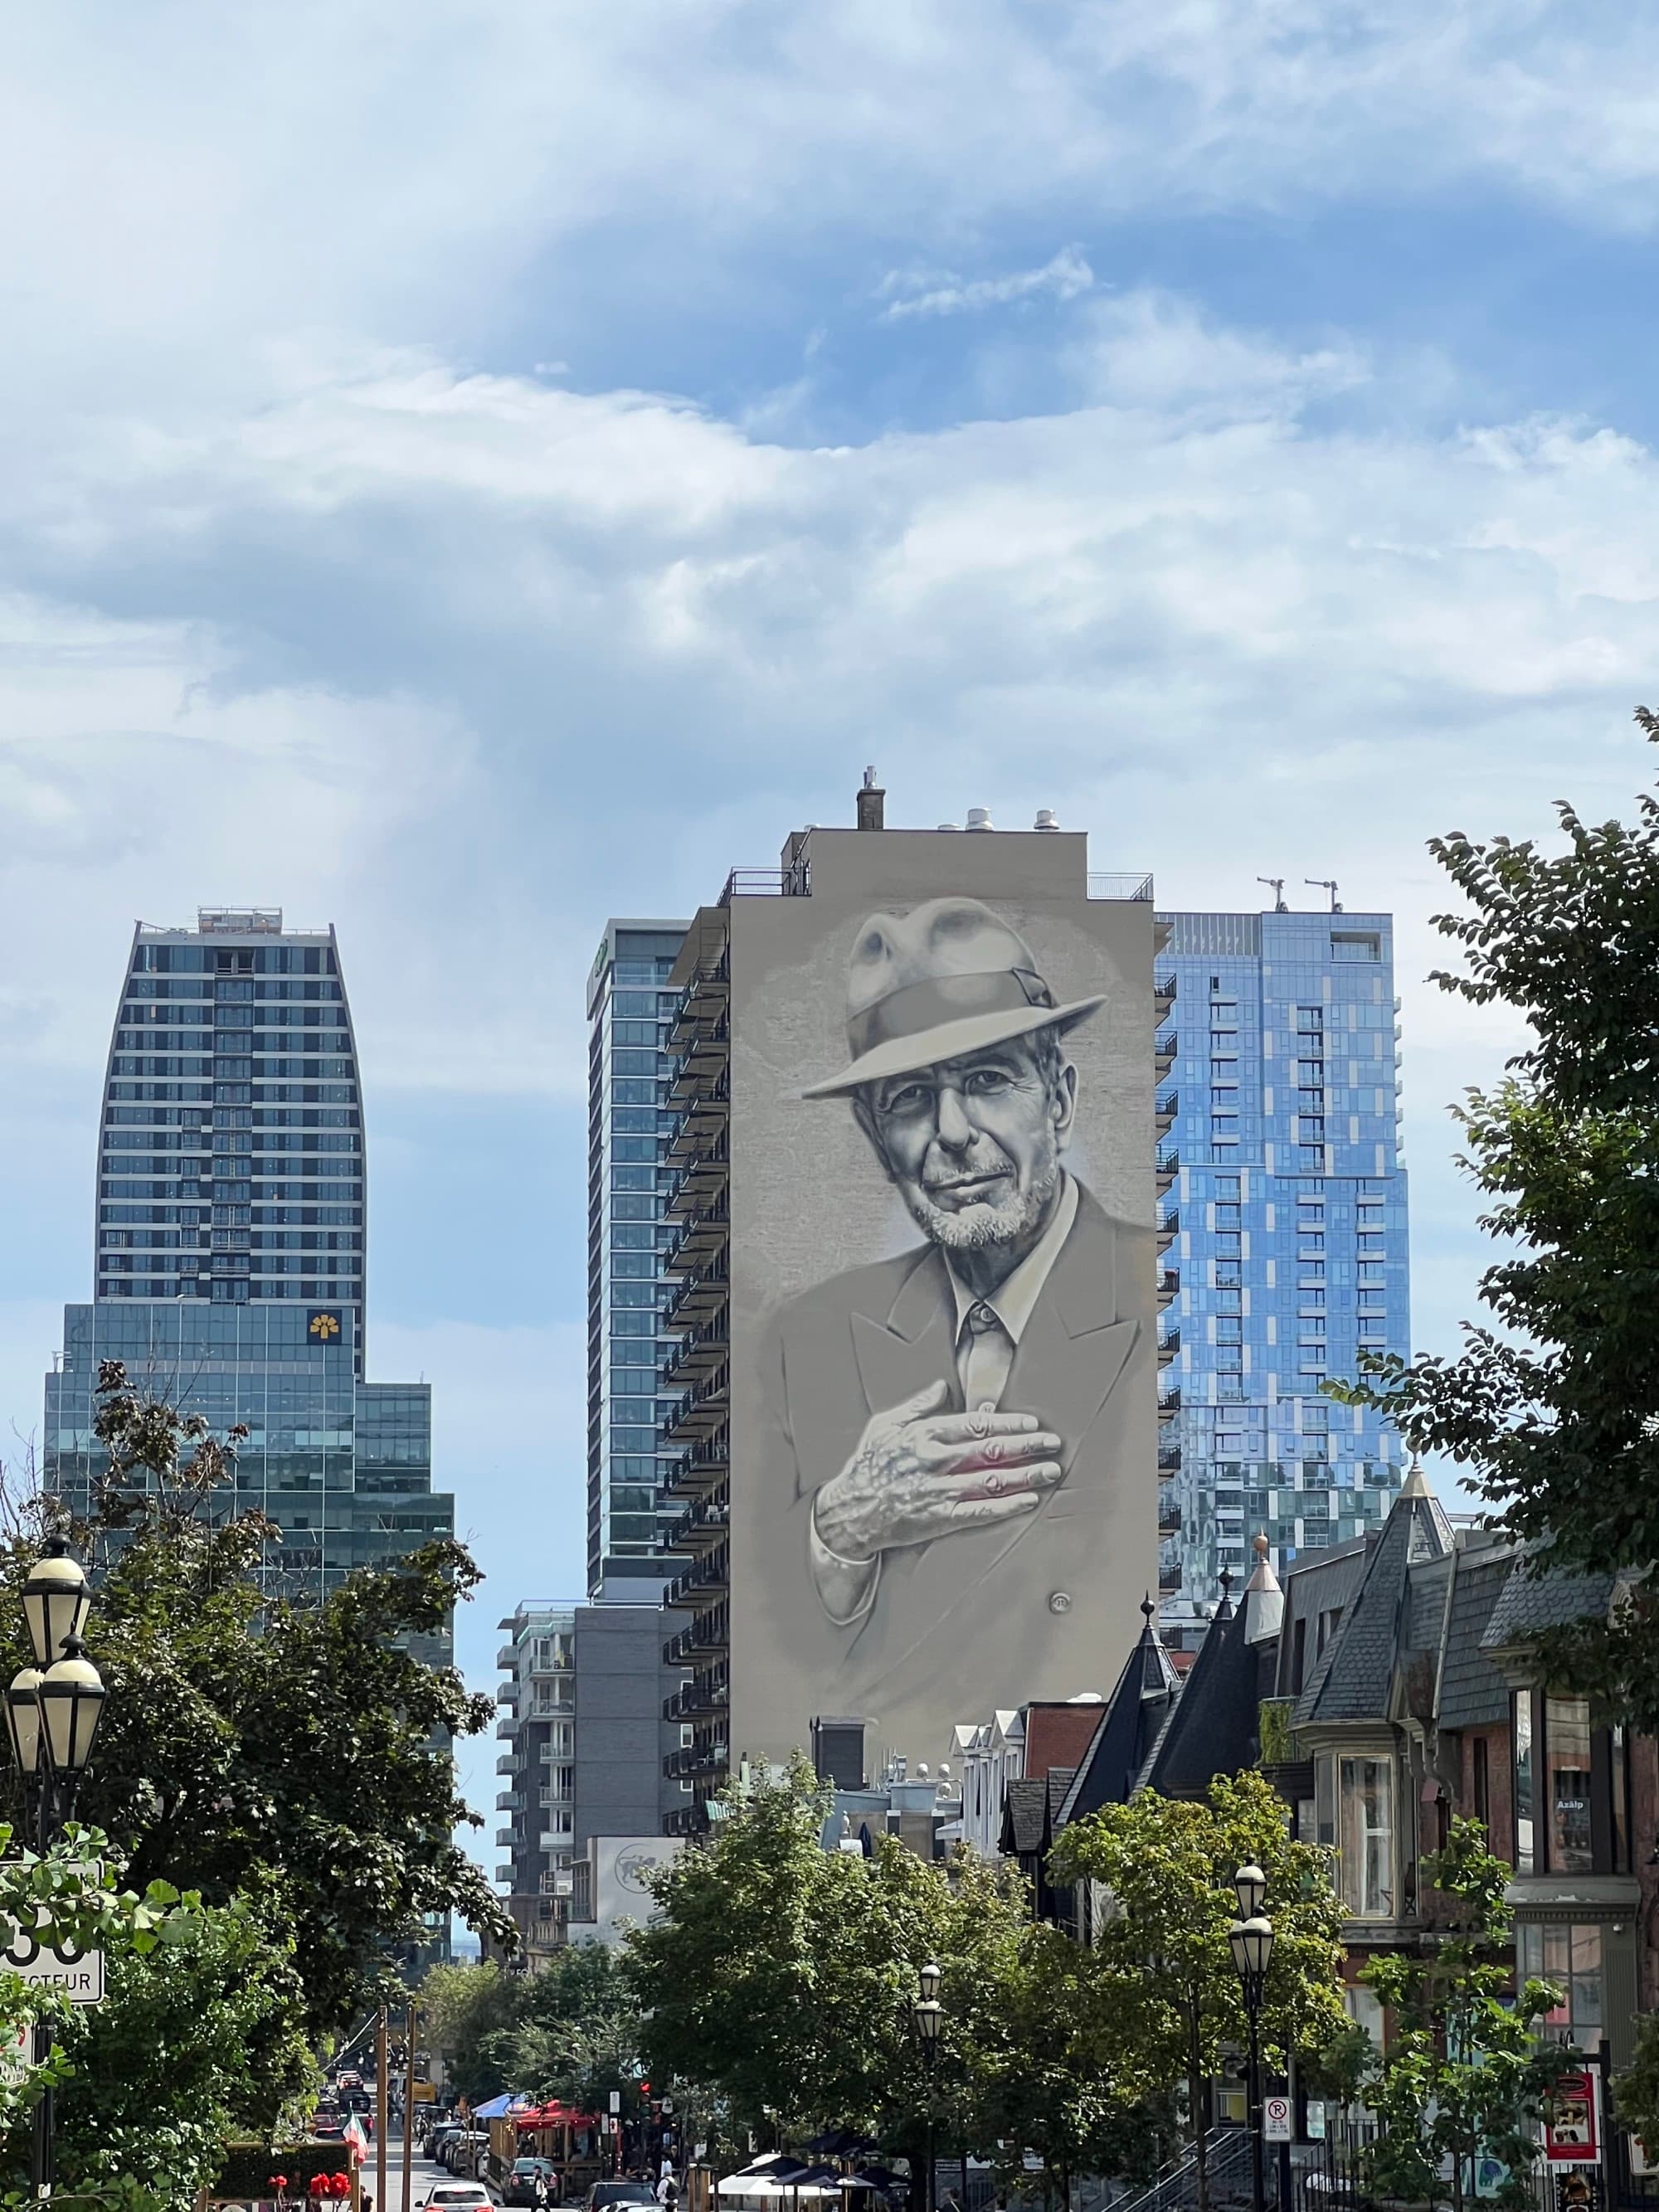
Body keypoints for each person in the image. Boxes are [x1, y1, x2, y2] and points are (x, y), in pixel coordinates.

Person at [757, 896, 1151, 1714]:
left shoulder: (1164, 1295)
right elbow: (776, 1649)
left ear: (1060, 1100)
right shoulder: (811, 1335)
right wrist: (839, 1528)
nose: (951, 1131)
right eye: (907, 1099)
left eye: (984, 1081)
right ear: (875, 1139)